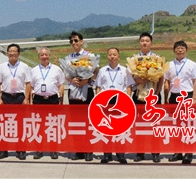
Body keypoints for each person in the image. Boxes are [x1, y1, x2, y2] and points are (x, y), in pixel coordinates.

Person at [163, 40, 196, 164]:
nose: (180, 50)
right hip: (174, 97)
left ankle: (188, 153)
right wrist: (166, 97)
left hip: (187, 96)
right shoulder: (169, 65)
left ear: (186, 50)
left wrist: (194, 98)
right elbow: (167, 82)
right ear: (174, 50)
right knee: (177, 125)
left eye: (182, 48)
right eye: (177, 48)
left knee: (188, 125)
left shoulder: (192, 64)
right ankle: (178, 151)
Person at [95, 47, 134, 164]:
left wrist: (127, 100)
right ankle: (107, 154)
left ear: (119, 57)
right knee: (106, 129)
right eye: (110, 55)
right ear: (107, 56)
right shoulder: (102, 70)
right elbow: (98, 87)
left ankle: (120, 154)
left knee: (120, 129)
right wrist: (98, 100)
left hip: (120, 103)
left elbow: (129, 86)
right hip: (105, 103)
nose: (112, 57)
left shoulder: (125, 70)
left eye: (114, 55)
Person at [0, 43, 31, 160]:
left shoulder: (24, 66)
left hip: (19, 97)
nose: (12, 53)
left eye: (14, 51)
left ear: (19, 53)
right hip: (6, 97)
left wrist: (26, 99)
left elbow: (28, 84)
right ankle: (3, 151)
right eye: (10, 51)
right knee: (4, 124)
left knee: (20, 125)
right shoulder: (2, 67)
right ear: (7, 53)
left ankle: (20, 151)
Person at [66, 30, 98, 162]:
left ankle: (88, 150)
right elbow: (67, 75)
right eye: (71, 41)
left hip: (87, 90)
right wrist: (71, 79)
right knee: (76, 122)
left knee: (88, 121)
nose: (74, 43)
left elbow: (95, 72)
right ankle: (78, 150)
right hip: (74, 91)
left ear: (81, 41)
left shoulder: (89, 55)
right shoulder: (69, 58)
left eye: (76, 40)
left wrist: (87, 80)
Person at [131, 32, 163, 163]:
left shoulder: (157, 58)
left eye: (147, 41)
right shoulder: (134, 59)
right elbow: (130, 77)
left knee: (154, 125)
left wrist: (157, 92)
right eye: (142, 41)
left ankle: (155, 153)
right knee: (140, 126)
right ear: (139, 43)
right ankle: (140, 152)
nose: (144, 43)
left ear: (151, 43)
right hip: (138, 95)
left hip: (152, 95)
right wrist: (138, 80)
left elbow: (161, 77)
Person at [30, 47, 65, 160]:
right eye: (42, 55)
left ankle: (53, 149)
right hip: (38, 99)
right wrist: (30, 101)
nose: (44, 57)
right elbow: (31, 87)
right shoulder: (34, 70)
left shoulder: (56, 69)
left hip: (52, 99)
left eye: (46, 54)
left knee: (53, 125)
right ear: (38, 57)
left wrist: (61, 100)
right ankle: (39, 150)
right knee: (38, 126)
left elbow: (61, 85)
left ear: (49, 56)